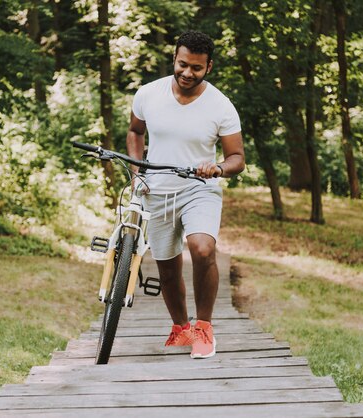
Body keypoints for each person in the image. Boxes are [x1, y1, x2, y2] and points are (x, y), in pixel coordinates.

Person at [126, 30, 245, 359]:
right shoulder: (149, 94)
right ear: (174, 60)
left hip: (199, 189)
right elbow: (135, 132)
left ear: (209, 67)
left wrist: (217, 168)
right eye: (182, 65)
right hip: (158, 190)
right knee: (166, 267)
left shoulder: (221, 106)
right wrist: (139, 173)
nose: (187, 73)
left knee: (202, 248)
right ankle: (180, 328)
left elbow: (237, 159)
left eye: (196, 67)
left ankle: (204, 328)